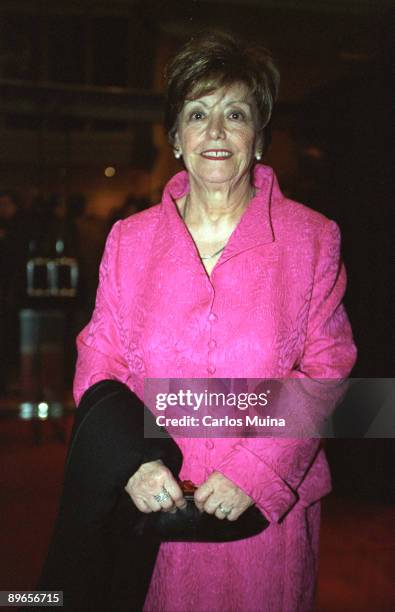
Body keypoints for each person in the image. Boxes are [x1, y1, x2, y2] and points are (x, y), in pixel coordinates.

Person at [40, 31, 357, 612]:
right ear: (176, 139)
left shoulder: (312, 238)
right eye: (197, 113)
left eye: (235, 113)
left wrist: (258, 470)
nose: (215, 131)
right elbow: (100, 358)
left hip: (264, 519)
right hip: (152, 506)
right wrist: (130, 462)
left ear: (258, 138)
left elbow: (328, 368)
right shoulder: (129, 241)